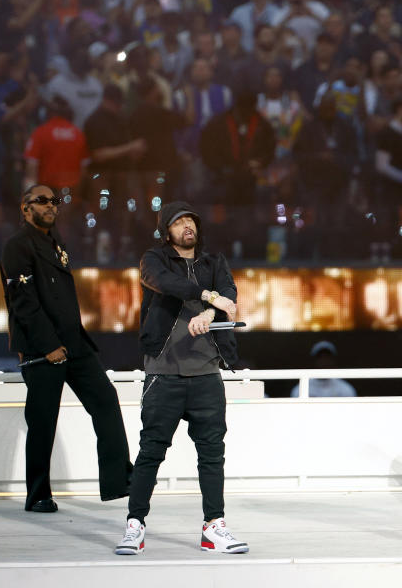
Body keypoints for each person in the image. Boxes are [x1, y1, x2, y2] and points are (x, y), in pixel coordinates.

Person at [116, 201, 248, 555]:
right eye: (178, 221)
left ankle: (214, 526)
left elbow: (230, 295)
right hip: (164, 371)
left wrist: (209, 310)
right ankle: (135, 525)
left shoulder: (214, 261)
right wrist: (208, 296)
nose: (187, 225)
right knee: (151, 451)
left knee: (212, 453)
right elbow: (165, 283)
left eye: (191, 220)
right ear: (166, 230)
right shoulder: (154, 260)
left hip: (206, 372)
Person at [0, 185, 133, 513]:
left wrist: (70, 340)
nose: (50, 206)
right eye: (42, 201)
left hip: (74, 343)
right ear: (25, 207)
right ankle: (38, 494)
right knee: (43, 420)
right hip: (43, 347)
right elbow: (23, 302)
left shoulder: (55, 241)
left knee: (105, 399)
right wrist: (49, 345)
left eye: (54, 201)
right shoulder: (16, 246)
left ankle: (120, 479)